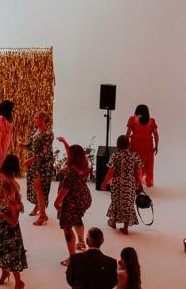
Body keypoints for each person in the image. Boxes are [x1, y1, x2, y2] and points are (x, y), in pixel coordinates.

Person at [0, 155, 27, 289]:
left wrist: (2, 215)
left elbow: (14, 221)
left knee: (12, 258)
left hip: (10, 233)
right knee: (2, 253)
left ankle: (18, 282)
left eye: (2, 192)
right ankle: (4, 273)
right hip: (3, 228)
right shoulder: (6, 193)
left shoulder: (13, 204)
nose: (0, 192)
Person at [55, 137, 92, 265]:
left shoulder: (71, 171)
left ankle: (72, 258)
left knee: (67, 227)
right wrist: (65, 143)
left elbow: (65, 189)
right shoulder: (83, 166)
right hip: (83, 197)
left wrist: (56, 202)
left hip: (71, 200)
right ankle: (81, 242)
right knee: (77, 218)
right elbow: (72, 152)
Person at [101, 135, 144, 234]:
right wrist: (140, 183)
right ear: (128, 144)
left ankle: (114, 222)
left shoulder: (115, 156)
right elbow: (139, 171)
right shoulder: (135, 156)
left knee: (116, 202)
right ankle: (125, 227)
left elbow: (111, 171)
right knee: (128, 204)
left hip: (117, 184)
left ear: (118, 145)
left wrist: (104, 182)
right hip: (130, 184)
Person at [25, 111, 55, 226]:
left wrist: (29, 160)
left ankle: (43, 215)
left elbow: (44, 153)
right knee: (36, 186)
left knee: (39, 187)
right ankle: (38, 206)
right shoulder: (34, 129)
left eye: (37, 118)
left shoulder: (48, 133)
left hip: (43, 164)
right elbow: (31, 145)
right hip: (34, 162)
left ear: (43, 120)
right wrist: (23, 145)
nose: (34, 119)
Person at [126, 104, 159, 187]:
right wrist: (156, 146)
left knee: (135, 163)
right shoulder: (151, 121)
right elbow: (156, 135)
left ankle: (135, 182)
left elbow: (128, 133)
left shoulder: (132, 119)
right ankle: (147, 182)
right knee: (147, 163)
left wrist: (126, 144)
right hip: (148, 145)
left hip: (135, 144)